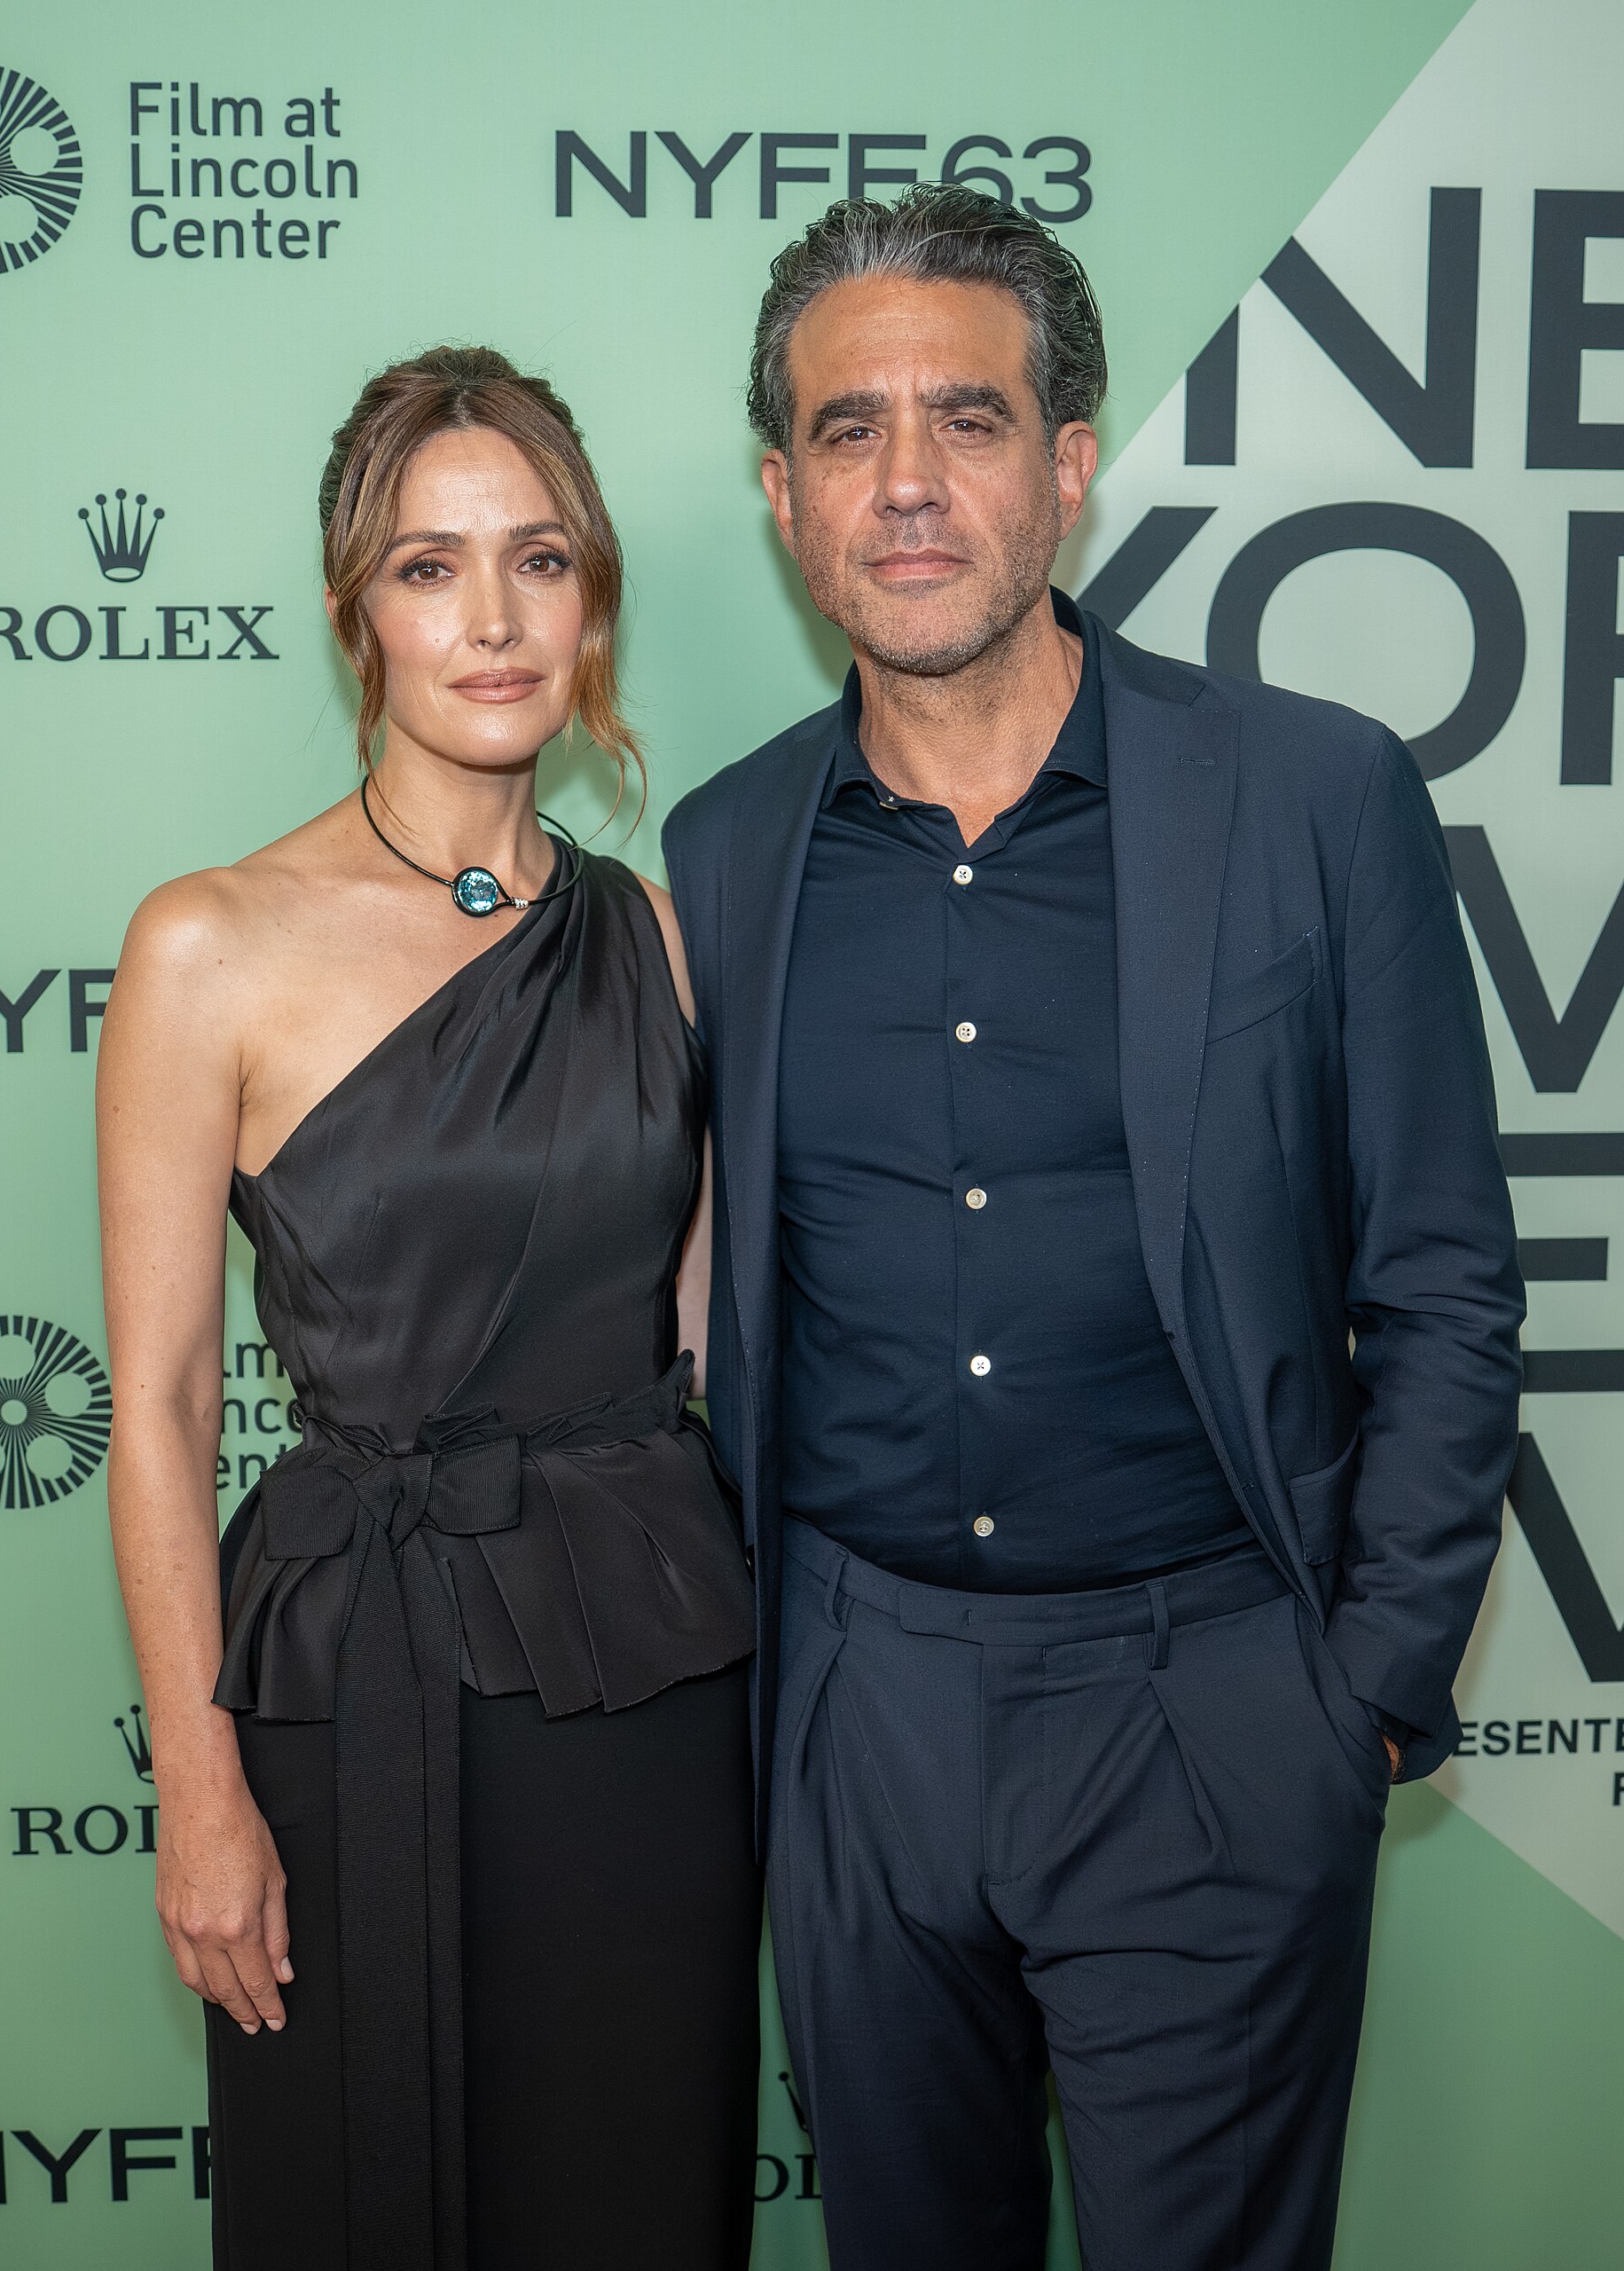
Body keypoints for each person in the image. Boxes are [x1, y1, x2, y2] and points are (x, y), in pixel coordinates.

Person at [663, 185, 1524, 2271]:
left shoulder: (1312, 795)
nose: (909, 485)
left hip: (1214, 1692)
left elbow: (1440, 1270)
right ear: (786, 496)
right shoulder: (728, 842)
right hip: (856, 1706)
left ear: (1064, 465)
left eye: (965, 420)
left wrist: (1367, 1693)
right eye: (849, 433)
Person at [97, 345, 759, 2271]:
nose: (491, 618)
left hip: (645, 1667)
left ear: (595, 596)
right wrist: (201, 1793)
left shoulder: (643, 929)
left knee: (635, 2187)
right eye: (428, 566)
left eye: (540, 560)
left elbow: (701, 1328)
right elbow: (151, 1407)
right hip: (354, 1670)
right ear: (352, 612)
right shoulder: (209, 939)